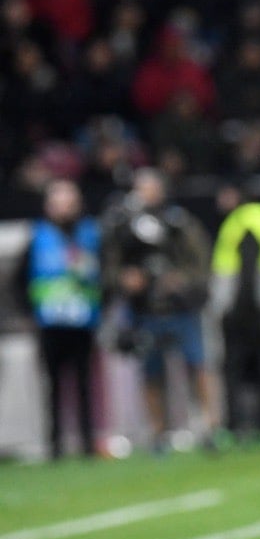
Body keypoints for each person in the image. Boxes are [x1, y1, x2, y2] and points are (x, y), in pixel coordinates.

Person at [101, 167, 217, 452]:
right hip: (146, 310)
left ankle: (209, 426)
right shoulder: (123, 225)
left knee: (197, 365)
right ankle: (158, 433)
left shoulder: (178, 222)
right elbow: (110, 267)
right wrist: (126, 279)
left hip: (180, 309)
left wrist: (181, 281)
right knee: (151, 372)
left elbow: (201, 261)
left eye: (151, 187)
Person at [15, 179, 103, 459]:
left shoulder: (90, 235)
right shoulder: (37, 237)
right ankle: (55, 446)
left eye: (69, 203)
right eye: (58, 203)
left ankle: (88, 443)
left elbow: (105, 276)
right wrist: (28, 312)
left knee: (84, 386)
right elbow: (19, 280)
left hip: (83, 321)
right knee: (52, 388)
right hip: (50, 323)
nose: (64, 209)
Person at [210, 181, 260, 443]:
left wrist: (235, 310)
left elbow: (248, 266)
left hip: (248, 309)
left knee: (236, 369)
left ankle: (236, 425)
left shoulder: (243, 221)